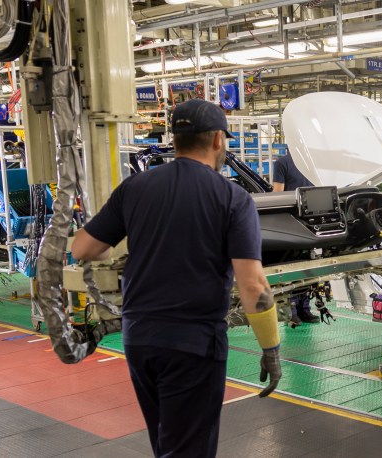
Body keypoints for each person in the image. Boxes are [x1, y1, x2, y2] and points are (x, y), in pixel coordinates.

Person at [71, 99, 282, 458]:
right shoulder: (232, 198)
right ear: (218, 140)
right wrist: (271, 349)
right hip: (193, 344)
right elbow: (253, 285)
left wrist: (109, 251)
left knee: (168, 443)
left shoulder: (134, 188)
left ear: (176, 138)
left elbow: (82, 248)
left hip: (139, 339)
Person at [271, 153, 320, 324]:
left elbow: (276, 194)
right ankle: (297, 310)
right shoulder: (311, 161)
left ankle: (299, 310)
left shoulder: (282, 163)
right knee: (305, 266)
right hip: (310, 221)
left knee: (296, 266)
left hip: (293, 224)